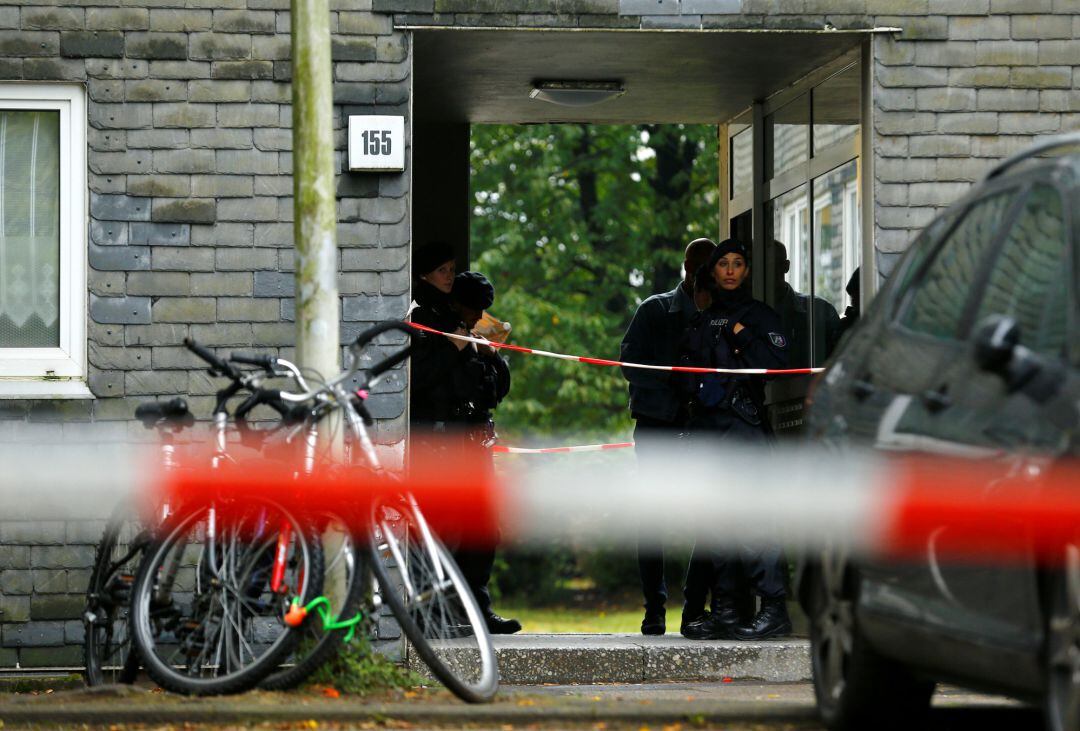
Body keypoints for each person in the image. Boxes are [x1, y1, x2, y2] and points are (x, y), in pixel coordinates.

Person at [678, 239, 793, 641]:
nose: (730, 270)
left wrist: (741, 333)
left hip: (744, 428)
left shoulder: (759, 316)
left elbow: (778, 363)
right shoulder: (701, 317)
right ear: (712, 271)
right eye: (723, 264)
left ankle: (774, 609)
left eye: (738, 263)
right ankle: (725, 610)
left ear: (747, 271)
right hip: (709, 430)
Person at [409, 246, 520, 634]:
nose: (449, 276)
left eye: (453, 269)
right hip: (440, 442)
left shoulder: (472, 328)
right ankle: (434, 612)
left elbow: (499, 386)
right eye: (443, 269)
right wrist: (454, 349)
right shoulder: (422, 320)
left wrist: (488, 353)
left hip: (476, 440)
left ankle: (476, 608)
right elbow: (417, 381)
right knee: (442, 528)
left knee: (483, 528)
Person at [620, 237, 716, 636]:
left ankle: (694, 607)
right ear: (686, 269)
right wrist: (674, 389)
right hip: (659, 428)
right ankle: (655, 608)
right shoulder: (654, 310)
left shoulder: (722, 314)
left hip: (702, 429)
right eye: (699, 269)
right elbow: (629, 363)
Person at [770, 241, 842, 368]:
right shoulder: (741, 312)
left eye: (772, 264)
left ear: (785, 266)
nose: (765, 271)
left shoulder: (820, 311)